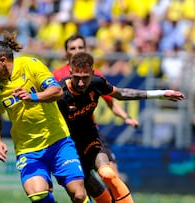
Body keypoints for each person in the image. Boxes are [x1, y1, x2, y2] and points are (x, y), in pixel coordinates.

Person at [57, 52, 186, 203]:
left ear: (92, 73)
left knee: (107, 174)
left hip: (89, 137)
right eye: (76, 77)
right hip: (68, 145)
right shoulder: (59, 93)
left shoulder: (97, 83)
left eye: (85, 77)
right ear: (70, 72)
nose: (80, 83)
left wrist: (161, 94)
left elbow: (122, 93)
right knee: (84, 192)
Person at [0, 31, 90, 203]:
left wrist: (33, 96)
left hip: (58, 141)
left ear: (3, 60)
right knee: (37, 194)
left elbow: (57, 91)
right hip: (28, 150)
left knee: (78, 195)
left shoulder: (30, 65)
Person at [54, 33, 139, 203]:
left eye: (80, 47)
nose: (76, 51)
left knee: (110, 173)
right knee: (85, 184)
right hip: (68, 137)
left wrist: (126, 117)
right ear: (66, 53)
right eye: (72, 48)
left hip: (91, 132)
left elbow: (111, 100)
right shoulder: (56, 77)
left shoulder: (94, 76)